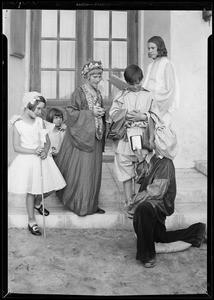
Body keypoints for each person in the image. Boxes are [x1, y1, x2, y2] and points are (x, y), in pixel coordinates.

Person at [124, 147, 206, 268]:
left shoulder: (165, 163)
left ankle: (148, 255)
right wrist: (141, 161)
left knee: (143, 209)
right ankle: (198, 231)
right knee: (160, 237)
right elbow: (141, 179)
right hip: (152, 203)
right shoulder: (155, 159)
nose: (148, 143)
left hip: (159, 206)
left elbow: (156, 191)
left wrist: (133, 201)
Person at [8, 92, 66, 236]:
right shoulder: (18, 124)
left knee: (53, 186)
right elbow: (17, 147)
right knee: (31, 191)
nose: (41, 112)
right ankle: (31, 220)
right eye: (38, 109)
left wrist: (45, 152)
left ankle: (37, 203)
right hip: (27, 158)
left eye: (42, 109)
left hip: (42, 158)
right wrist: (34, 150)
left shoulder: (39, 122)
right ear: (29, 106)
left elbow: (47, 141)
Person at [55, 59, 106, 216]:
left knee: (94, 171)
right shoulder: (79, 92)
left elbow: (99, 111)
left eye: (99, 76)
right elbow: (70, 112)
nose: (98, 79)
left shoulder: (98, 93)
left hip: (96, 136)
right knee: (83, 171)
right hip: (83, 137)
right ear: (87, 76)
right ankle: (80, 205)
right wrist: (91, 114)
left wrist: (102, 113)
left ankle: (91, 204)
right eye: (95, 77)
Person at [108, 64, 162, 206]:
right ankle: (128, 200)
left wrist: (143, 116)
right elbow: (112, 114)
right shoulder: (121, 95)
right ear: (127, 82)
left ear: (142, 79)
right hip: (125, 137)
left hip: (143, 138)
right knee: (125, 167)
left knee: (142, 168)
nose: (135, 86)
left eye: (138, 82)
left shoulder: (149, 95)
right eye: (131, 84)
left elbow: (157, 116)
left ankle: (140, 201)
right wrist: (125, 115)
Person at [142, 36, 180, 127]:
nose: (150, 51)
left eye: (152, 48)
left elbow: (170, 90)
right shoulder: (150, 66)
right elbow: (146, 86)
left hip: (162, 109)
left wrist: (153, 100)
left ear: (160, 48)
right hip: (150, 108)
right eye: (148, 48)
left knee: (161, 137)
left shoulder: (167, 64)